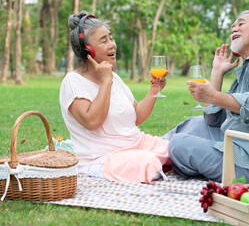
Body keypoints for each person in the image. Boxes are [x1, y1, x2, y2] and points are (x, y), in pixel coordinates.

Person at [162, 9, 249, 184]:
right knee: (193, 124)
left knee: (179, 144)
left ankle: (159, 158)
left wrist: (213, 96)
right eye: (232, 26)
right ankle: (150, 150)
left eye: (241, 24)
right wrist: (217, 72)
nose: (233, 29)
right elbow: (212, 119)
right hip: (239, 144)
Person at [59, 11, 169, 183]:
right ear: (86, 49)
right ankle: (152, 164)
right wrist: (105, 82)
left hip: (134, 146)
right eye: (104, 40)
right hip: (101, 159)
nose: (112, 45)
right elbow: (92, 122)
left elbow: (137, 116)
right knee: (148, 162)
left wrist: (154, 90)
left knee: (174, 149)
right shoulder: (72, 82)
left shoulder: (114, 78)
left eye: (111, 38)